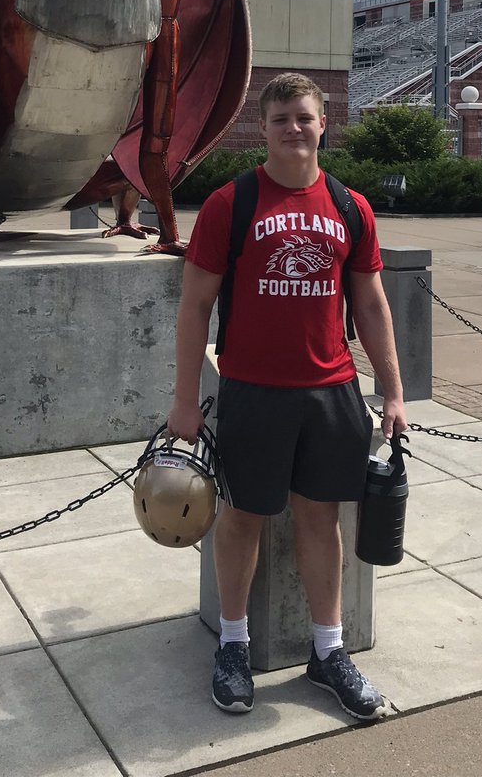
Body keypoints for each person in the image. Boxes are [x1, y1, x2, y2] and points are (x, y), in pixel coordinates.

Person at [168, 71, 407, 720]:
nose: (294, 129)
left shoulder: (351, 207)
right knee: (242, 517)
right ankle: (235, 645)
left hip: (330, 391)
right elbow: (193, 307)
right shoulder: (231, 203)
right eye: (281, 120)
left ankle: (327, 653)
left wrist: (390, 388)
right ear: (263, 129)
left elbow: (372, 302)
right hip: (252, 391)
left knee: (320, 521)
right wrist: (185, 400)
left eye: (304, 117)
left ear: (323, 123)